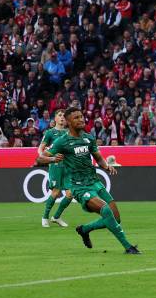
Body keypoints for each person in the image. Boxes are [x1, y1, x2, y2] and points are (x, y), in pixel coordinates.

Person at [37, 107, 140, 254]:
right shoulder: (62, 141)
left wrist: (106, 166)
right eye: (76, 118)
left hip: (94, 182)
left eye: (81, 116)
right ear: (68, 122)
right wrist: (53, 158)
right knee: (106, 210)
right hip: (79, 187)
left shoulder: (88, 137)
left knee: (116, 219)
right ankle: (128, 247)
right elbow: (40, 157)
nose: (81, 119)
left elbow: (98, 158)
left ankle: (84, 230)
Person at [37, 109, 73, 228]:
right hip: (56, 166)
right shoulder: (50, 133)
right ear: (55, 119)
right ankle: (45, 217)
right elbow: (41, 149)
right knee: (56, 192)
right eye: (60, 115)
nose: (62, 117)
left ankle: (56, 217)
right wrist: (48, 158)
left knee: (70, 193)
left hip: (68, 165)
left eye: (64, 116)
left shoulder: (69, 132)